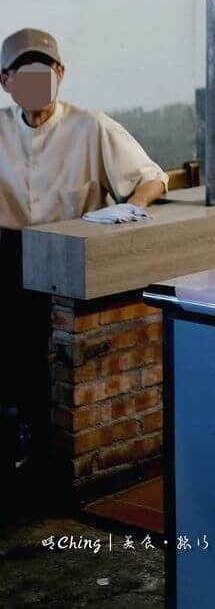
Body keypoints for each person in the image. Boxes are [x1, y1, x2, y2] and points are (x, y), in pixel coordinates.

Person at [0, 28, 167, 473]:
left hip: (70, 258)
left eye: (46, 71)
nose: (37, 82)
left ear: (61, 74)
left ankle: (38, 445)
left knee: (42, 348)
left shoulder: (90, 125)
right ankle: (22, 436)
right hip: (10, 253)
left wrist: (130, 208)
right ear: (5, 82)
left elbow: (151, 178)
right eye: (24, 73)